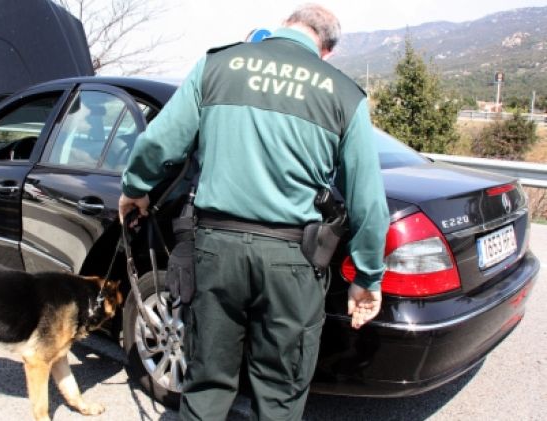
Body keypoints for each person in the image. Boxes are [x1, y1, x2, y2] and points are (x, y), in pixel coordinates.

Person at [119, 4, 389, 420]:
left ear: (284, 25)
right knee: (280, 393)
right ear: (327, 51)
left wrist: (135, 189)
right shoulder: (344, 93)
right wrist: (367, 277)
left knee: (206, 383)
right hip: (294, 261)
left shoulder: (217, 65)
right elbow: (368, 202)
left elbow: (160, 143)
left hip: (215, 251)